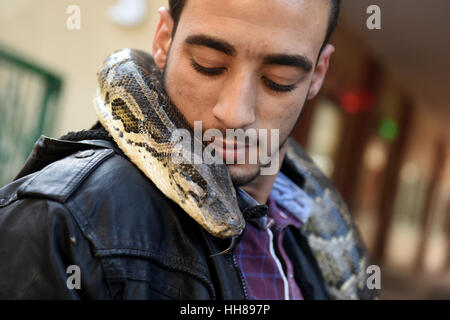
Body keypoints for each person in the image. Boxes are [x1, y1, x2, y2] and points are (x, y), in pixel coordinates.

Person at [0, 0, 376, 299]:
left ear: (318, 75)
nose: (234, 113)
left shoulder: (300, 223)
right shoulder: (59, 223)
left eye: (279, 81)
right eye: (208, 65)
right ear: (163, 42)